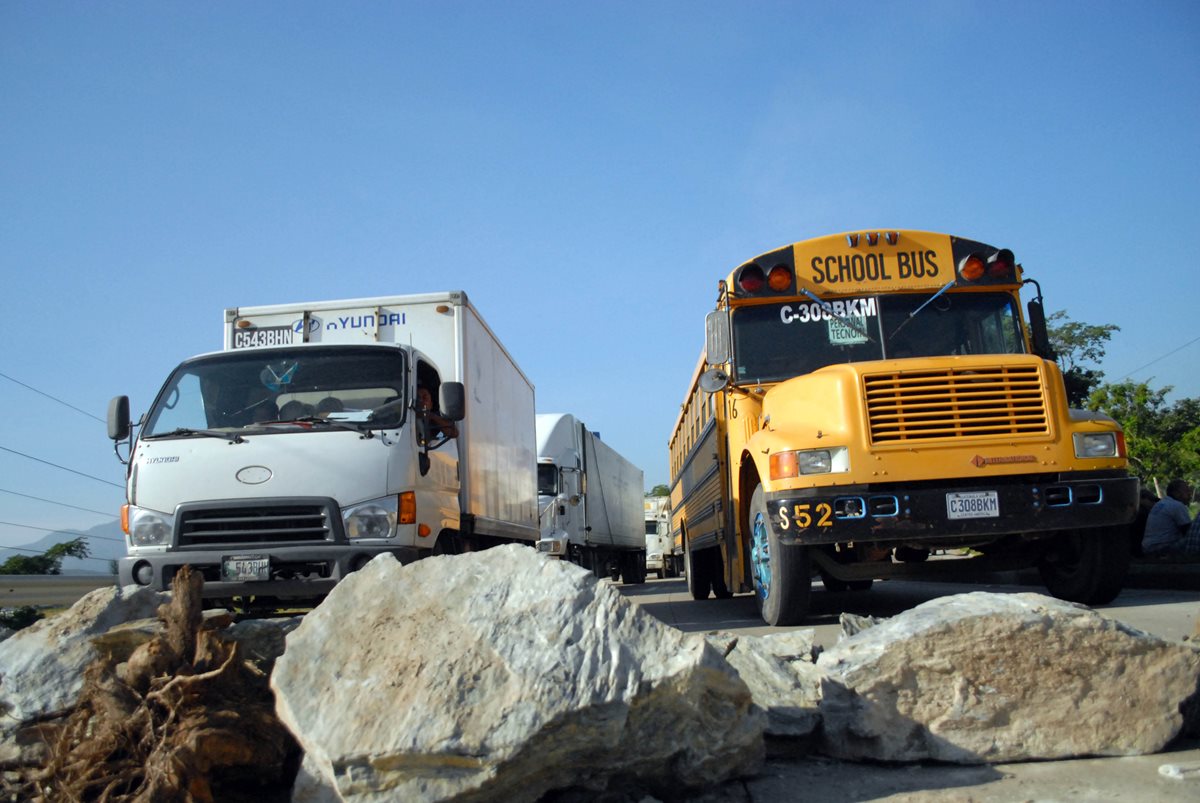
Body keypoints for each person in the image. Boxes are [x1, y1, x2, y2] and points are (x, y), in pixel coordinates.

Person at [1141, 479, 1198, 556]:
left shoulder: (1162, 503)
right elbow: (1187, 532)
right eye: (1186, 491)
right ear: (1177, 493)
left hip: (1147, 547)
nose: (1189, 494)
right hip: (1160, 548)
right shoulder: (1177, 505)